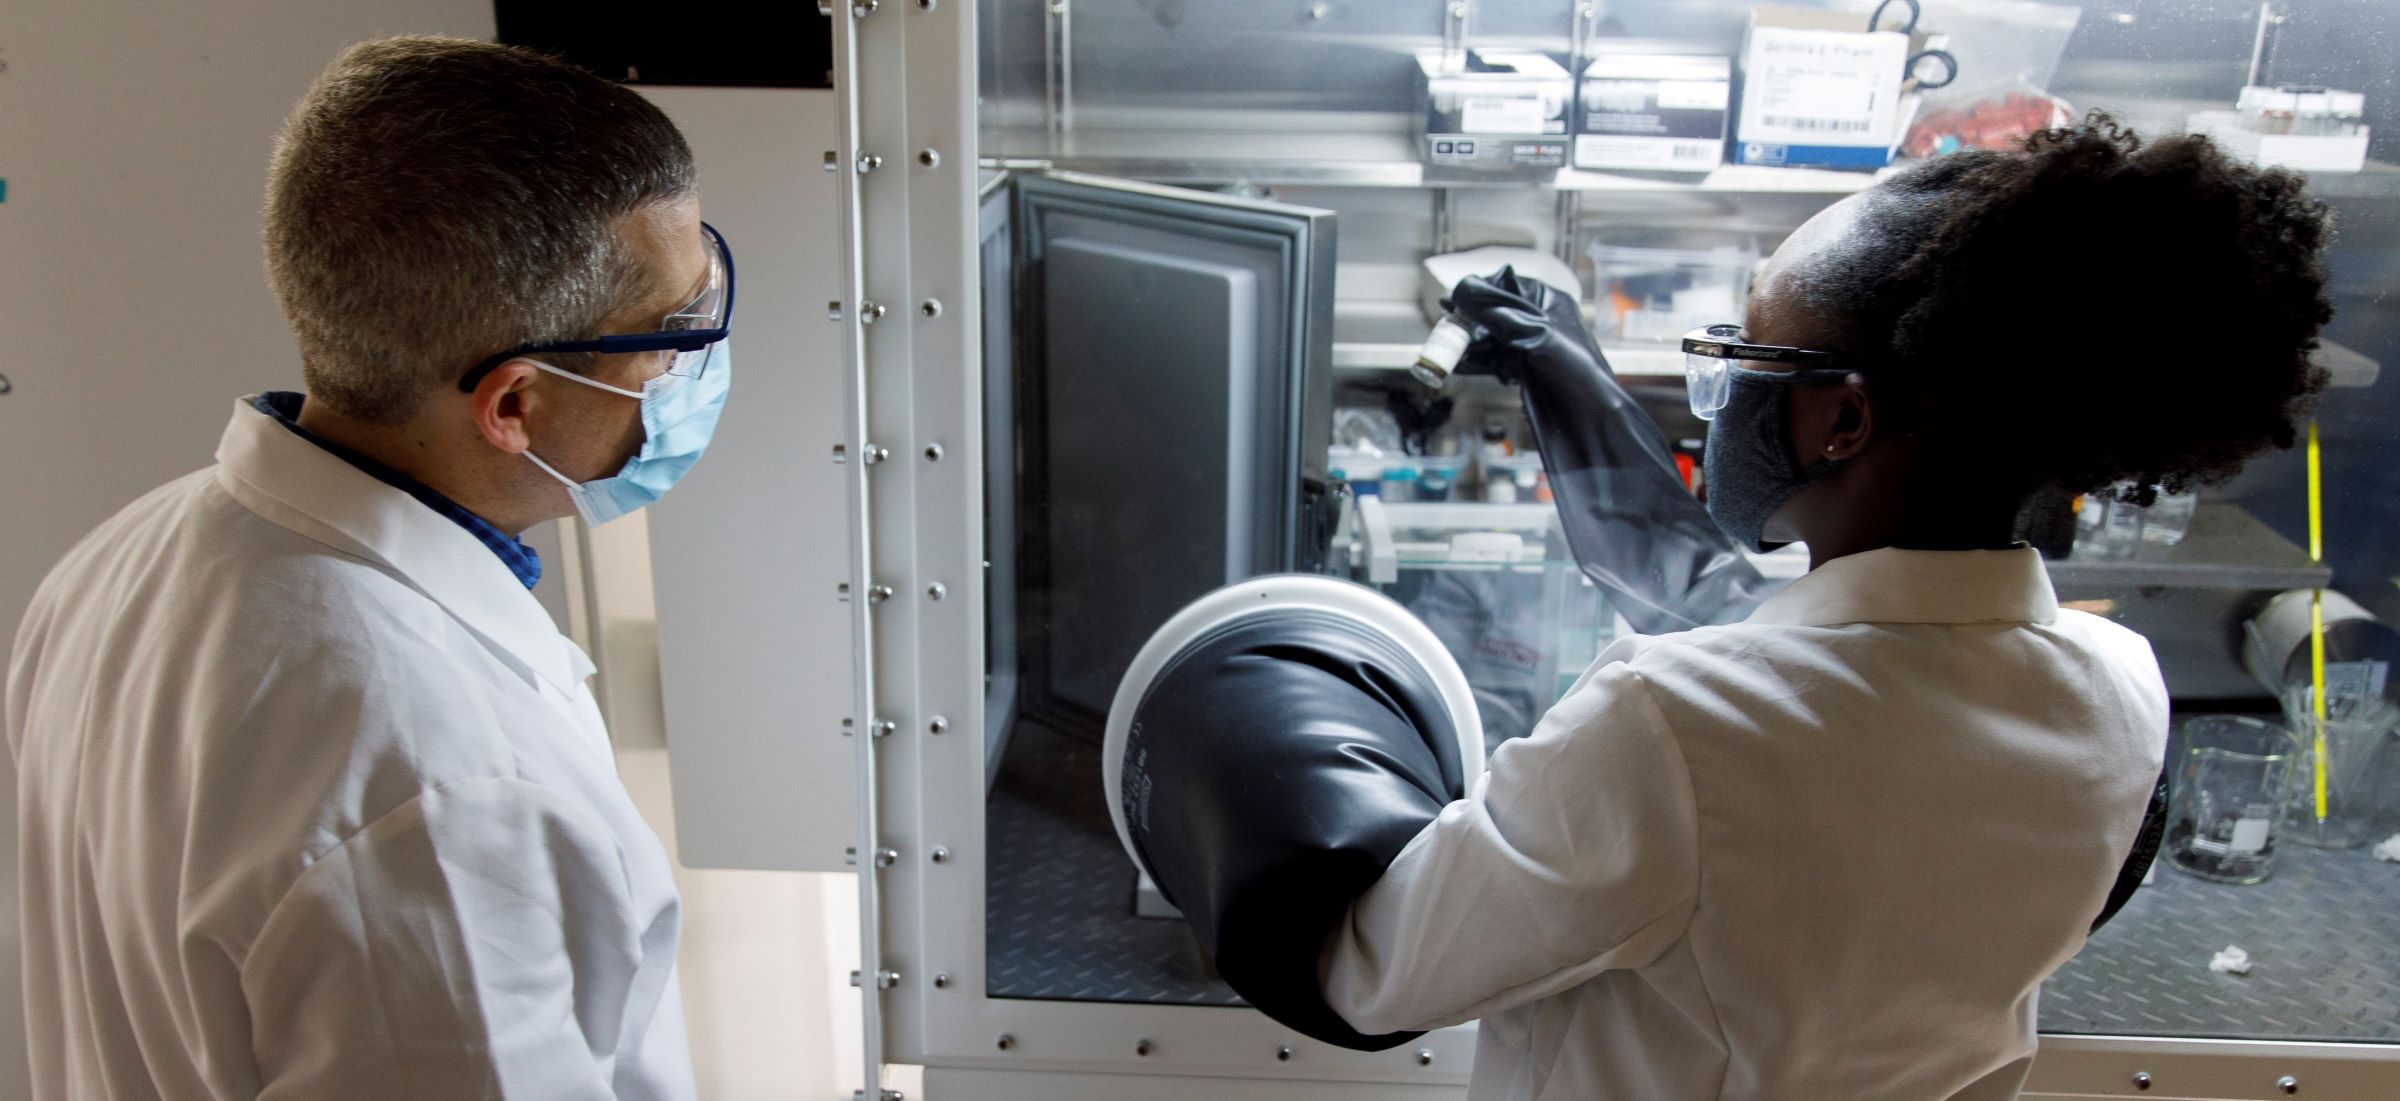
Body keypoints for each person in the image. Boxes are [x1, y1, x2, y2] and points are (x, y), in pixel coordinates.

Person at [1316, 120, 2331, 1098]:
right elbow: (1765, 644)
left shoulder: (1666, 725)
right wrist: (1567, 371)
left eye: (1752, 352)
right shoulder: (2121, 688)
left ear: (1843, 418)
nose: (1726, 386)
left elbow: (1377, 973)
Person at [6, 37, 732, 1099]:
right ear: (515, 405)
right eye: (669, 334)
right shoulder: (440, 794)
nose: (689, 366)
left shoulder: (123, 557)